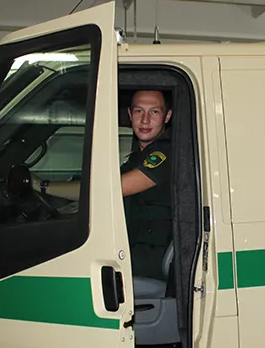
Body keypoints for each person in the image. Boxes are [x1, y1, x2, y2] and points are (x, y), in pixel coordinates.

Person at [33, 90, 173, 280]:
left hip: (148, 260)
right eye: (139, 111)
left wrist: (42, 186)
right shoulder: (137, 158)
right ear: (130, 114)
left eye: (154, 112)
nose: (145, 120)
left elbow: (109, 190)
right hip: (132, 250)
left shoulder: (165, 154)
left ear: (167, 116)